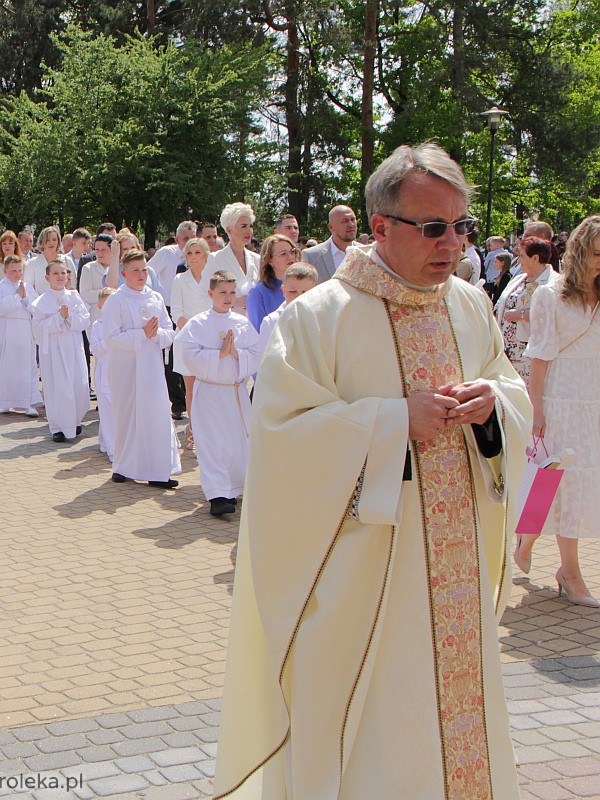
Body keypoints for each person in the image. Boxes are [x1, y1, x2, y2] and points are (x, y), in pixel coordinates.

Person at [214, 144, 530, 800]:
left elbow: (509, 385)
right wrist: (390, 424)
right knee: (382, 748)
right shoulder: (314, 320)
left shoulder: (470, 306)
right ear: (380, 226)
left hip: (457, 579)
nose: (453, 244)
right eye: (434, 227)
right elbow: (280, 441)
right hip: (368, 590)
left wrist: (491, 409)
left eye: (461, 226)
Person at [515, 217, 600, 604]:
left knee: (578, 486)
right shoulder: (551, 294)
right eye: (597, 254)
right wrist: (537, 409)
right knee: (556, 482)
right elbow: (540, 355)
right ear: (581, 251)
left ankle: (541, 548)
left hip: (594, 397)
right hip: (560, 396)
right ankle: (563, 566)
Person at [174, 271, 260, 516]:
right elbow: (188, 356)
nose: (228, 297)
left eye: (232, 292)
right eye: (222, 292)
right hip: (210, 391)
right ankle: (217, 495)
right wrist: (218, 354)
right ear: (211, 294)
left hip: (234, 392)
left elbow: (256, 354)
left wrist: (236, 354)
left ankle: (232, 488)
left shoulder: (242, 323)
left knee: (235, 443)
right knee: (212, 443)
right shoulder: (198, 323)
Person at [101, 249, 180, 488]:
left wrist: (156, 336)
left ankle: (158, 470)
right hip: (125, 367)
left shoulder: (155, 298)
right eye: (135, 271)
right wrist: (141, 334)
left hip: (151, 366)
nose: (141, 274)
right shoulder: (117, 300)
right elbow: (111, 337)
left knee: (155, 414)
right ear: (124, 273)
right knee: (127, 415)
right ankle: (123, 466)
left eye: (144, 270)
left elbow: (169, 331)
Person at [31, 259, 91, 442]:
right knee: (58, 387)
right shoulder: (41, 302)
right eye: (56, 273)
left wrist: (70, 316)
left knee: (78, 384)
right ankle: (57, 426)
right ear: (47, 277)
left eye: (63, 273)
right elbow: (38, 329)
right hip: (54, 350)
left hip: (73, 347)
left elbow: (85, 320)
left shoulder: (74, 296)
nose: (60, 277)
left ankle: (75, 420)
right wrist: (58, 318)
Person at [169, 238, 212, 449]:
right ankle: (194, 431)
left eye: (197, 252)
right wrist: (193, 332)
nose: (193, 257)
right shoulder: (179, 279)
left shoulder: (214, 279)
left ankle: (207, 430)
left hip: (211, 340)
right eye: (189, 253)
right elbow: (177, 311)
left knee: (210, 388)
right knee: (191, 388)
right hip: (187, 339)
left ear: (206, 255)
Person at [495, 238, 553, 382]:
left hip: (528, 353)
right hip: (507, 349)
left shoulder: (553, 283)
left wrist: (521, 315)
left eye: (522, 256)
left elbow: (551, 313)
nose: (519, 260)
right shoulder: (519, 278)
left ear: (535, 258)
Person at [0, 255, 42, 416]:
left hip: (25, 330)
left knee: (27, 366)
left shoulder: (27, 286)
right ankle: (5, 401)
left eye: (20, 270)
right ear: (5, 271)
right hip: (6, 331)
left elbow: (35, 307)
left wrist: (25, 297)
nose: (17, 273)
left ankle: (28, 403)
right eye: (13, 271)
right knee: (7, 366)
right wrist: (16, 297)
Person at [207, 204, 259, 313]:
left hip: (254, 322)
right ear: (229, 230)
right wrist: (235, 302)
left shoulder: (257, 259)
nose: (249, 231)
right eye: (244, 226)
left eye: (251, 226)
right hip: (226, 322)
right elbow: (205, 296)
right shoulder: (215, 259)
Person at [256, 262, 317, 346]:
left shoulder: (323, 318)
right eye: (292, 292)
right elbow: (264, 357)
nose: (298, 297)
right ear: (283, 290)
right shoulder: (272, 322)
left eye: (305, 292)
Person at [245, 234, 298, 331]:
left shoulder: (303, 285)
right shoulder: (258, 293)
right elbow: (258, 332)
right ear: (270, 260)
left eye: (292, 252)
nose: (290, 257)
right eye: (283, 254)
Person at [301, 204, 358, 283]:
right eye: (344, 221)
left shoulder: (367, 252)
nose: (351, 225)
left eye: (353, 219)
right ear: (331, 227)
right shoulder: (311, 256)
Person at [91, 288, 117, 458]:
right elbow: (96, 350)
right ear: (100, 307)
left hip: (120, 370)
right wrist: (110, 339)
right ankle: (113, 448)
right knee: (107, 410)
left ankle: (108, 441)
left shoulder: (122, 324)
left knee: (118, 409)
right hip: (104, 371)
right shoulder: (97, 326)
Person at [28, 226, 73, 295]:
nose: (51, 242)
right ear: (41, 242)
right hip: (40, 303)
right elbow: (28, 287)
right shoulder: (32, 263)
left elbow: (73, 285)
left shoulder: (67, 260)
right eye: (47, 240)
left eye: (54, 239)